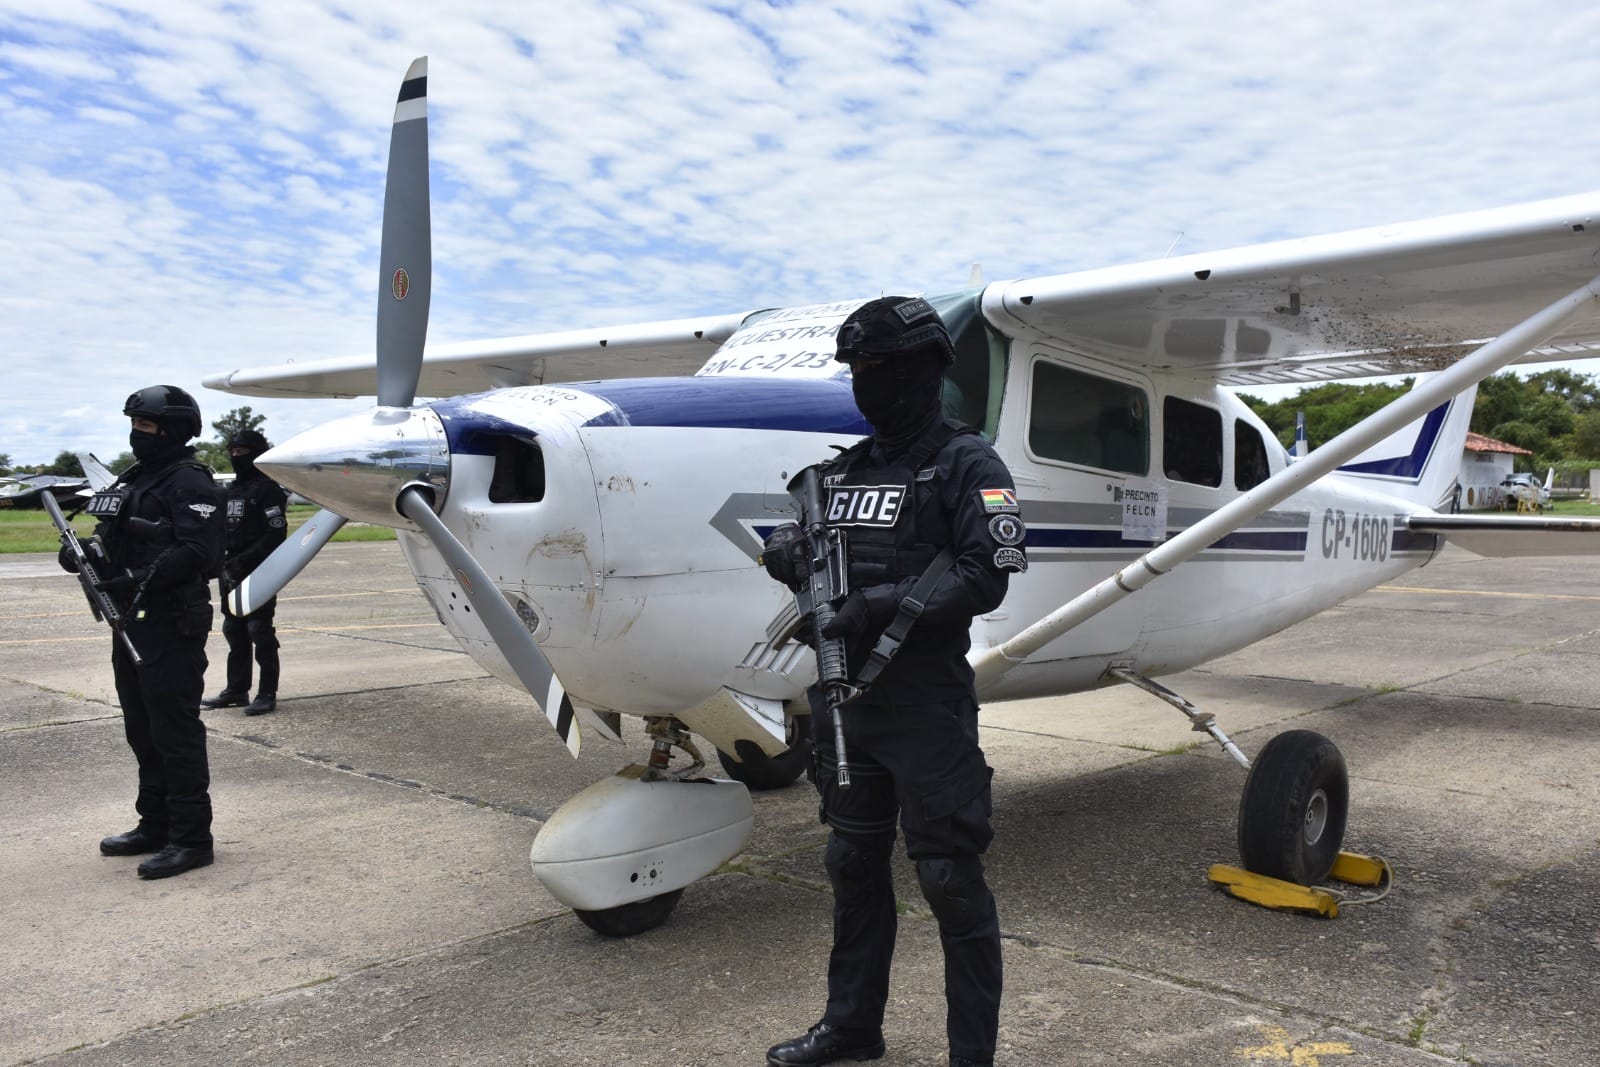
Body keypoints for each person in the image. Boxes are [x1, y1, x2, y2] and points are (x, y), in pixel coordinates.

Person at [761, 297, 1027, 1067]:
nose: (866, 383)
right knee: (851, 861)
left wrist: (874, 605)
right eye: (857, 370)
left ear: (922, 371)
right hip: (849, 701)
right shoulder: (843, 472)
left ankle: (971, 1055)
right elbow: (803, 542)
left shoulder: (968, 464)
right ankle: (852, 1027)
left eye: (880, 368)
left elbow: (989, 574)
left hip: (925, 706)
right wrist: (785, 552)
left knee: (947, 876)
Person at [60, 386, 225, 879]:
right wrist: (83, 556)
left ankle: (192, 838)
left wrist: (133, 579)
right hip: (130, 619)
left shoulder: (190, 483)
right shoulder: (135, 479)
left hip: (172, 621)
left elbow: (201, 554)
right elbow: (111, 537)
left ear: (173, 430)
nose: (137, 436)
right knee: (142, 729)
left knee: (174, 731)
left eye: (146, 427)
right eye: (134, 426)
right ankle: (154, 823)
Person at [202, 429, 288, 716]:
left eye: (242, 452)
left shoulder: (269, 489)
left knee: (259, 632)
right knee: (233, 630)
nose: (236, 457)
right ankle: (237, 689)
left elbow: (276, 534)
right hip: (230, 573)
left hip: (258, 571)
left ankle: (267, 693)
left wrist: (245, 560)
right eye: (233, 452)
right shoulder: (231, 491)